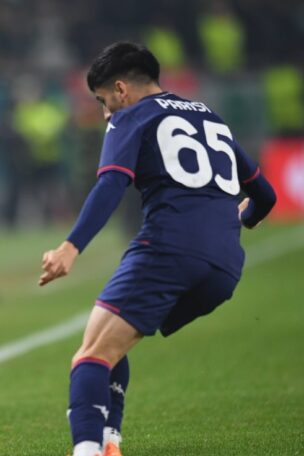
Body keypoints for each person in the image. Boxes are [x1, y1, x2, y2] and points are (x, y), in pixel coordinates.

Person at [38, 42, 276, 456]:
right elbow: (266, 196)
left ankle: (88, 449)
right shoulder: (210, 117)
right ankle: (110, 441)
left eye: (103, 101)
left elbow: (111, 184)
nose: (105, 113)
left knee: (90, 357)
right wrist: (245, 218)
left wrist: (71, 247)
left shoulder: (131, 116)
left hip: (168, 249)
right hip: (224, 270)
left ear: (120, 88)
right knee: (111, 338)